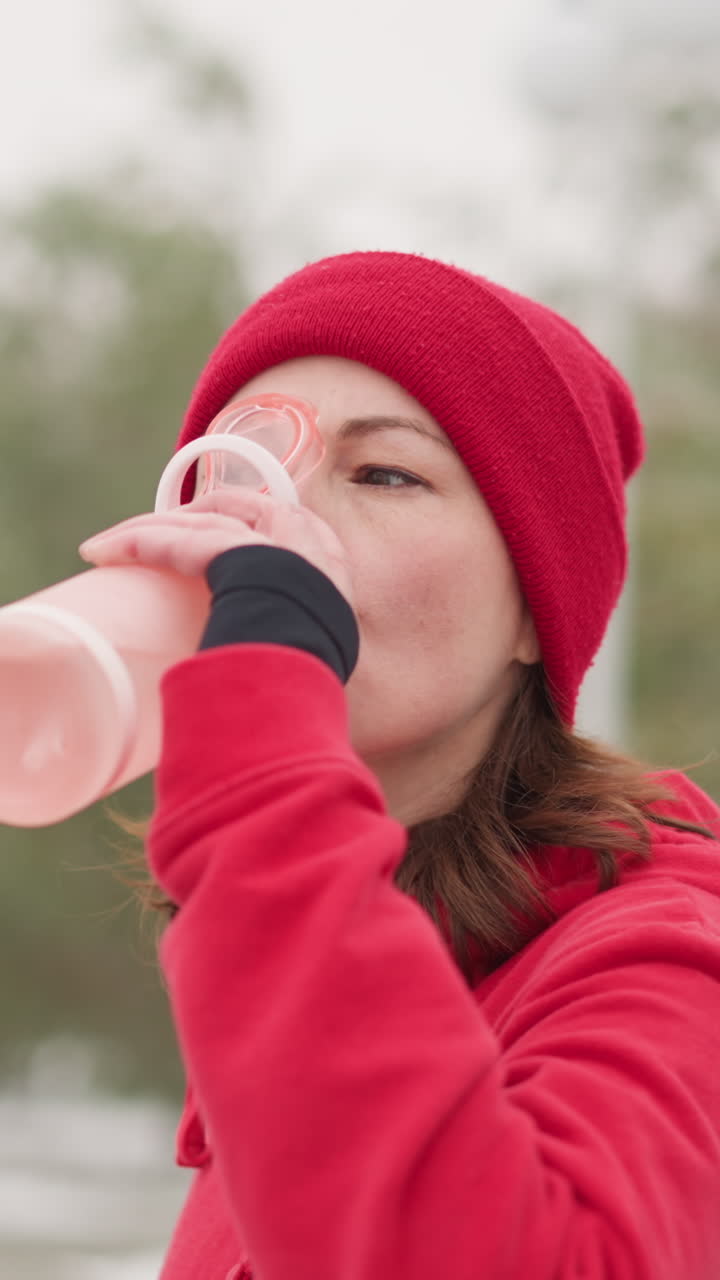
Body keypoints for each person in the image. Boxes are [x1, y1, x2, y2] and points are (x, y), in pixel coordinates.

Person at [80, 251, 720, 1280]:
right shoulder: (286, 953)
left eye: (384, 472)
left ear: (534, 609)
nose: (277, 523)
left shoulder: (672, 952)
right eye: (243, 469)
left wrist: (259, 713)